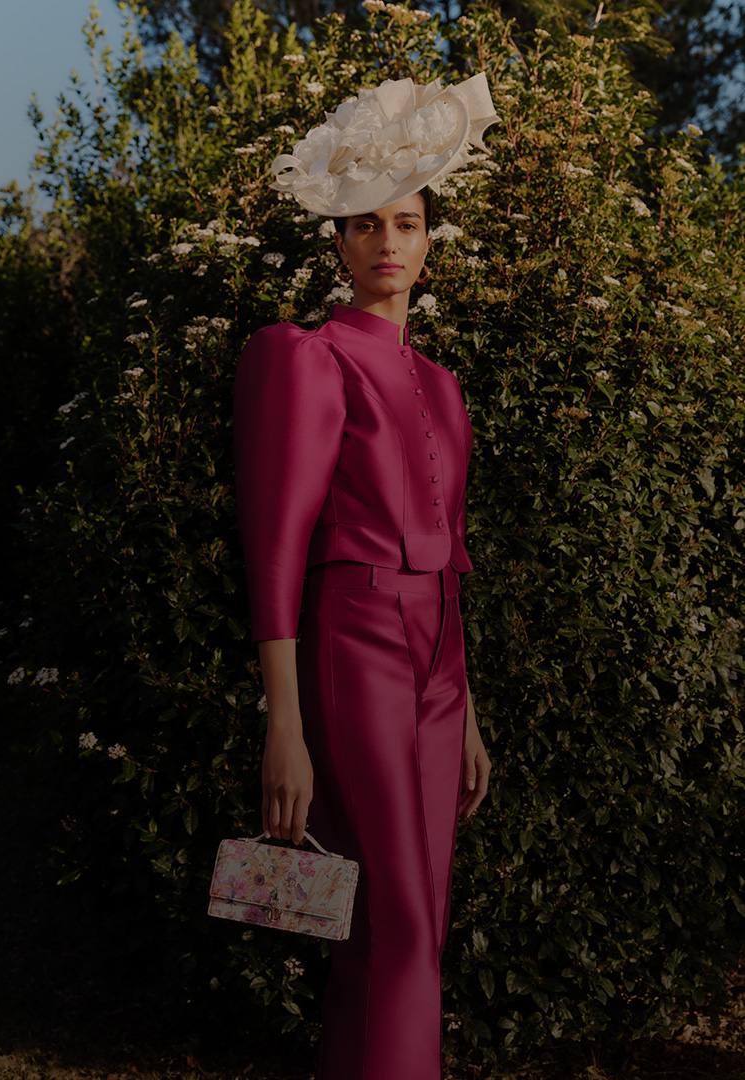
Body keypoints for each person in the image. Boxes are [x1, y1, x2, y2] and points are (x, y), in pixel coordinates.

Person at [234, 73, 499, 1080]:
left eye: (408, 221)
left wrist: (465, 704)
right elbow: (276, 546)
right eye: (365, 224)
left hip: (438, 661)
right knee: (391, 923)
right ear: (337, 242)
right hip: (357, 638)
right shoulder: (303, 357)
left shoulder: (441, 382)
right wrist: (283, 722)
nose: (388, 242)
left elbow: (454, 547)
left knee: (409, 925)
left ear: (430, 239)